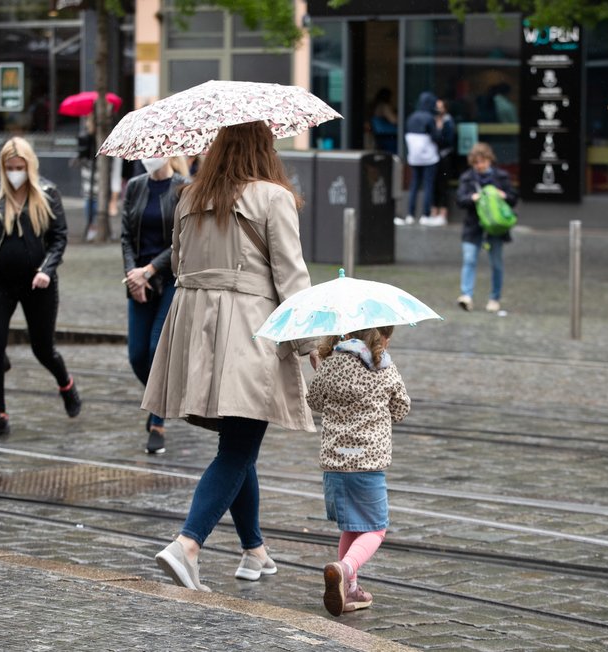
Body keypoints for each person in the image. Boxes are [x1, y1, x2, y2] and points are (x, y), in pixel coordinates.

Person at [145, 121, 316, 591]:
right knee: (239, 447)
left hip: (197, 332)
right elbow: (292, 278)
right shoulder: (273, 197)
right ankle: (188, 545)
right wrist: (311, 342)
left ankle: (253, 550)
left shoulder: (190, 196)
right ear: (264, 148)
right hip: (249, 330)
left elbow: (179, 266)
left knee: (240, 443)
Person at [0, 137, 81, 439]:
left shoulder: (47, 193)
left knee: (42, 348)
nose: (14, 173)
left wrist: (47, 270)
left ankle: (66, 384)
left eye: (19, 167)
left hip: (38, 285)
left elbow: (60, 237)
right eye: (9, 168)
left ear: (30, 166)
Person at [306, 325, 410, 616]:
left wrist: (320, 368)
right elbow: (402, 408)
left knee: (353, 526)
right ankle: (345, 568)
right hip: (367, 464)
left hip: (336, 462)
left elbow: (313, 401)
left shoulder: (331, 364)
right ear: (382, 338)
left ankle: (349, 589)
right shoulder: (383, 366)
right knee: (376, 528)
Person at [120, 156, 190, 455]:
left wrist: (149, 269)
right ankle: (163, 399)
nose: (150, 157)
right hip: (139, 281)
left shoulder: (183, 188)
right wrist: (133, 276)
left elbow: (183, 241)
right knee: (137, 355)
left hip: (169, 280)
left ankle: (158, 422)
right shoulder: (135, 186)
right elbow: (125, 235)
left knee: (155, 350)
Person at [455, 142, 518, 313]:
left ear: (489, 160)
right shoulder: (467, 178)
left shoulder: (501, 177)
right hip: (473, 226)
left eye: (482, 162)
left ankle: (494, 298)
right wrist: (472, 198)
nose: (479, 166)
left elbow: (513, 199)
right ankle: (466, 295)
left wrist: (502, 195)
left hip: (495, 228)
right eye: (476, 163)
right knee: (469, 259)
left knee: (496, 263)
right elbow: (460, 200)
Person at [78, 114, 122, 242]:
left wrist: (114, 195)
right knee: (90, 206)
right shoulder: (87, 140)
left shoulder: (110, 141)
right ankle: (92, 229)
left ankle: (101, 230)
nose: (87, 124)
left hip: (102, 189)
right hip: (89, 188)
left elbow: (115, 171)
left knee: (99, 209)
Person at [399, 91, 440, 227]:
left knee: (414, 185)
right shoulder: (429, 117)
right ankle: (425, 215)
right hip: (429, 157)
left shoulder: (411, 117)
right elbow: (436, 137)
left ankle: (410, 214)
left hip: (414, 157)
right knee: (428, 185)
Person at [425, 98, 456, 227]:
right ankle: (434, 212)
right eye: (436, 107)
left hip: (445, 156)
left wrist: (438, 130)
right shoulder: (432, 120)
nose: (438, 110)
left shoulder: (448, 121)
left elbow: (447, 140)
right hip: (433, 156)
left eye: (440, 107)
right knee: (434, 184)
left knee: (443, 185)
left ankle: (442, 214)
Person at [369, 87, 398, 155]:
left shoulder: (376, 105)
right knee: (391, 155)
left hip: (379, 135)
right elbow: (394, 120)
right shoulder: (384, 106)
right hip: (388, 136)